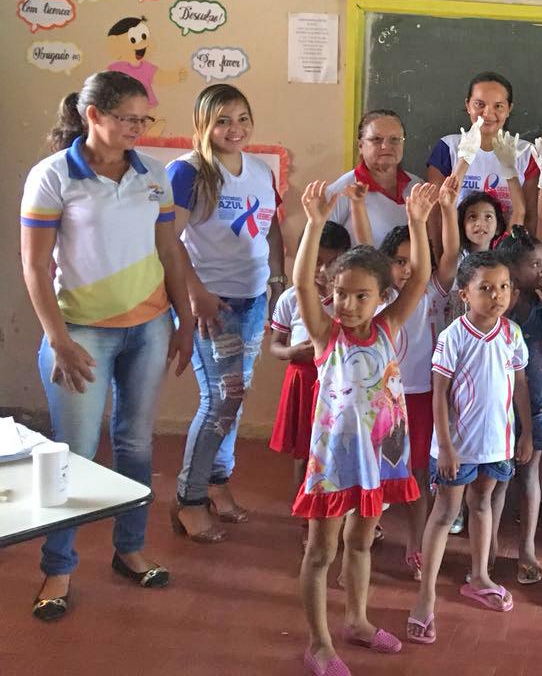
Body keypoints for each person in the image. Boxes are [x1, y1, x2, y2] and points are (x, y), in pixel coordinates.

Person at [22, 71, 195, 622]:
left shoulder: (154, 176)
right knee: (72, 455)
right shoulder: (53, 176)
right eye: (127, 118)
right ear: (93, 115)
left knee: (136, 446)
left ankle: (130, 549)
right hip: (81, 333)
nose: (138, 129)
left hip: (149, 328)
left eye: (145, 119)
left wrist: (184, 320)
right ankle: (59, 565)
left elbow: (170, 252)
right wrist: (57, 338)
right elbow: (33, 264)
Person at [292, 180, 435, 672]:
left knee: (360, 541)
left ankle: (357, 619)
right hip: (336, 458)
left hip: (378, 456)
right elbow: (298, 285)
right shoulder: (323, 334)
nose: (348, 304)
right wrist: (314, 225)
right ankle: (319, 643)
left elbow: (418, 280)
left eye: (361, 296)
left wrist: (417, 223)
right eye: (341, 294)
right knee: (321, 549)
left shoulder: (388, 327)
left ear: (380, 298)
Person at [167, 84, 285, 542]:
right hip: (211, 306)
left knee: (233, 401)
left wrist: (276, 281)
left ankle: (217, 484)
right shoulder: (188, 173)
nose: (234, 129)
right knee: (219, 401)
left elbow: (271, 230)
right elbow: (168, 242)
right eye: (222, 121)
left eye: (242, 118)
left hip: (252, 300)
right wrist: (194, 293)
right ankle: (189, 499)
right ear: (204, 124)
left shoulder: (259, 170)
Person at [408, 251, 533, 643]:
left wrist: (526, 432)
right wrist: (444, 447)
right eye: (485, 288)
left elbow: (521, 386)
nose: (496, 296)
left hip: (496, 444)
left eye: (503, 288)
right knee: (445, 513)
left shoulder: (512, 334)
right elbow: (439, 395)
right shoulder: (453, 337)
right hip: (457, 446)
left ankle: (479, 577)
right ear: (464, 293)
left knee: (482, 504)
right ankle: (425, 596)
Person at [375, 175, 460, 582]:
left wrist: (441, 211)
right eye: (398, 261)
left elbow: (452, 253)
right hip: (385, 400)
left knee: (418, 474)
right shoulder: (377, 298)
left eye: (414, 260)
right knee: (378, 468)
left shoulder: (431, 292)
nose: (407, 270)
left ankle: (416, 543)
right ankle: (364, 531)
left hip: (422, 396)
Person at [491, 227, 542, 585]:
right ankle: (486, 548)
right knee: (497, 483)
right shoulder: (494, 311)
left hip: (535, 405)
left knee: (529, 476)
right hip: (496, 411)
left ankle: (527, 548)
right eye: (535, 264)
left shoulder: (540, 305)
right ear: (512, 269)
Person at [268, 222, 351, 509]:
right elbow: (275, 345)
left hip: (339, 383)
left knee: (338, 448)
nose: (322, 271)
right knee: (304, 451)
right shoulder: (291, 298)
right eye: (315, 261)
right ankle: (305, 511)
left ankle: (341, 508)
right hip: (303, 380)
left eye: (332, 263)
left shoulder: (348, 300)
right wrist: (291, 350)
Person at [425, 72, 536, 224]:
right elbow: (434, 214)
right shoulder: (447, 147)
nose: (488, 113)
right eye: (479, 104)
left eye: (498, 106)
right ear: (467, 105)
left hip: (509, 246)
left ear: (509, 108)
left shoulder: (526, 153)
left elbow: (530, 217)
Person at [327, 109, 424, 246]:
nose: (386, 146)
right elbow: (322, 251)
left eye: (395, 140)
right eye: (376, 140)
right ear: (360, 146)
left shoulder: (417, 187)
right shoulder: (341, 191)